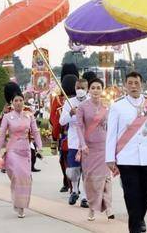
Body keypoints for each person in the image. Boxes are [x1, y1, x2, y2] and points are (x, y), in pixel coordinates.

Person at [106, 72, 147, 233]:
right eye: (130, 83)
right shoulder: (117, 106)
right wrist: (109, 158)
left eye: (136, 83)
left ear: (142, 85)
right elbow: (111, 133)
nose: (133, 86)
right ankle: (136, 227)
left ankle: (139, 218)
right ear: (125, 85)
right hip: (126, 157)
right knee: (132, 194)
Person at [0, 88, 43, 218]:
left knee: (25, 178)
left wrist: (40, 147)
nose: (19, 103)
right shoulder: (7, 117)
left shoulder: (29, 115)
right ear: (11, 102)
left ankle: (21, 205)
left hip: (25, 150)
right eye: (16, 101)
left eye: (21, 100)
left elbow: (36, 132)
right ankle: (17, 200)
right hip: (13, 151)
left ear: (24, 101)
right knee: (17, 175)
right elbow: (1, 135)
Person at [75, 74, 113, 222]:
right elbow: (79, 126)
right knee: (91, 180)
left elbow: (111, 127)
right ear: (89, 90)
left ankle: (108, 207)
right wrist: (82, 144)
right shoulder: (83, 107)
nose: (96, 90)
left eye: (99, 88)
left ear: (102, 90)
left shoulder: (107, 107)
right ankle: (92, 208)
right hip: (88, 148)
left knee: (105, 178)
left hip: (104, 147)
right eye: (93, 88)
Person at [60, 72, 90, 207]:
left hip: (88, 142)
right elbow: (61, 122)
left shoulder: (91, 101)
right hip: (73, 141)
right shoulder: (69, 102)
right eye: (78, 87)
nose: (80, 90)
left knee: (86, 170)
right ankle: (75, 190)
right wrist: (70, 113)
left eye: (83, 88)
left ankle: (85, 196)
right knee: (73, 170)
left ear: (87, 88)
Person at [50, 63, 78, 193]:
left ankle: (70, 185)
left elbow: (55, 121)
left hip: (65, 137)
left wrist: (54, 139)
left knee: (65, 161)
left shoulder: (58, 100)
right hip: (80, 137)